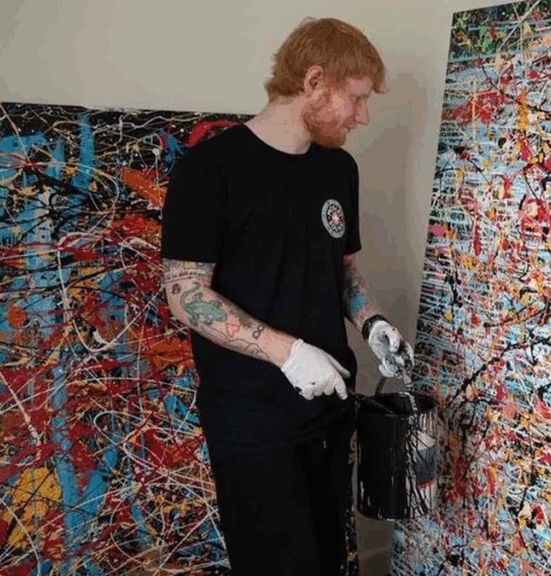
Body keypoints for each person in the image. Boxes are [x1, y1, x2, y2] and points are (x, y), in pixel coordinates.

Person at [159, 16, 414, 576]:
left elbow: (343, 271)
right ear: (314, 81)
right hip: (252, 421)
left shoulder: (338, 169)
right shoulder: (210, 170)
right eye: (356, 99)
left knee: (328, 561)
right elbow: (185, 293)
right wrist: (288, 353)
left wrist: (372, 323)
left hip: (329, 411)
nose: (362, 116)